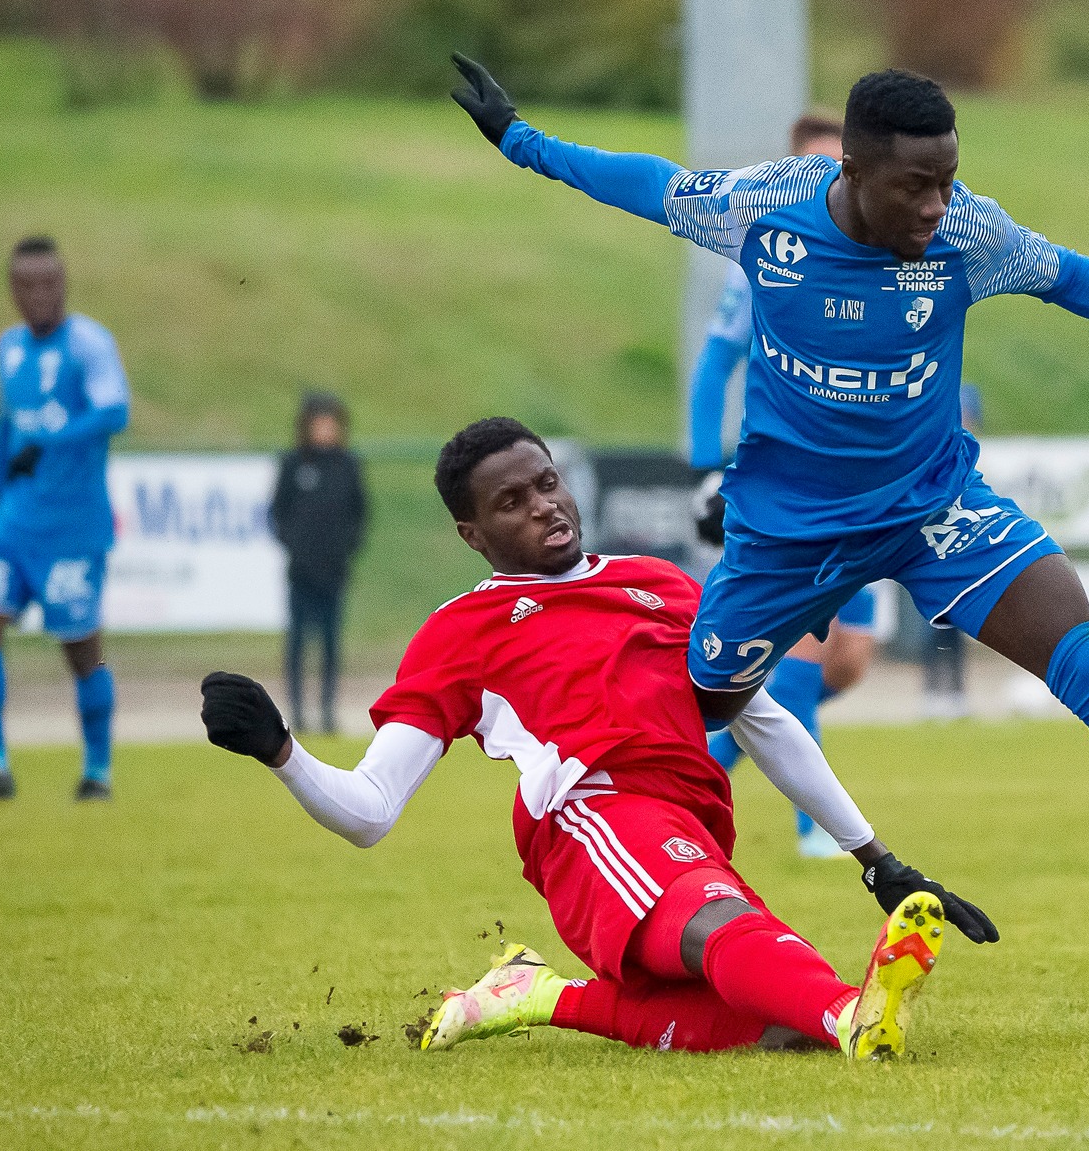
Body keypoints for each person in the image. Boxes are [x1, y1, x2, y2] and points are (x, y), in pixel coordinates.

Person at [451, 55, 1089, 976]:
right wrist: (523, 142)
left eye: (947, 181)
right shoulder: (767, 209)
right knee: (689, 721)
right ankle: (645, 901)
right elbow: (649, 184)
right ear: (852, 169)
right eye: (914, 186)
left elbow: (1070, 276)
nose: (935, 207)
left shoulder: (968, 233)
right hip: (789, 533)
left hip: (933, 509)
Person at [199, 418, 995, 1058]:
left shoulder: (662, 586)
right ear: (472, 533)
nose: (543, 505)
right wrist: (282, 750)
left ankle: (543, 994)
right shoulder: (461, 630)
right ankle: (855, 1019)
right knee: (753, 952)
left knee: (775, 1019)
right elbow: (371, 808)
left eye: (547, 483)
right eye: (511, 502)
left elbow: (766, 722)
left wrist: (878, 860)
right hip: (592, 820)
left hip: (689, 828)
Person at [692, 112, 886, 858]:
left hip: (866, 490)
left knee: (848, 660)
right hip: (789, 486)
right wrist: (705, 470)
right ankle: (819, 834)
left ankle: (701, 766)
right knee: (802, 652)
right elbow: (714, 367)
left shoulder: (890, 259)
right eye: (812, 166)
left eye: (838, 165)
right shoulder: (767, 262)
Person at [0, 236, 130, 805]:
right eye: (27, 285)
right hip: (15, 521)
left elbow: (114, 411)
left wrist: (53, 437)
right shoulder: (9, 347)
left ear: (64, 283)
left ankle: (97, 771)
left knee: (82, 651)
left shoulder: (88, 344)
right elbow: (8, 427)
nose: (39, 294)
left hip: (73, 527)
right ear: (13, 290)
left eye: (49, 282)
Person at [268, 391, 368, 735]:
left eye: (331, 424)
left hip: (334, 571)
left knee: (330, 644)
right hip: (300, 572)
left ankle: (327, 712)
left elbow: (359, 514)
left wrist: (345, 549)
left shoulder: (348, 465)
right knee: (297, 643)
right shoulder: (293, 464)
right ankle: (297, 713)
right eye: (319, 424)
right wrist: (295, 547)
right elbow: (278, 512)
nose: (325, 430)